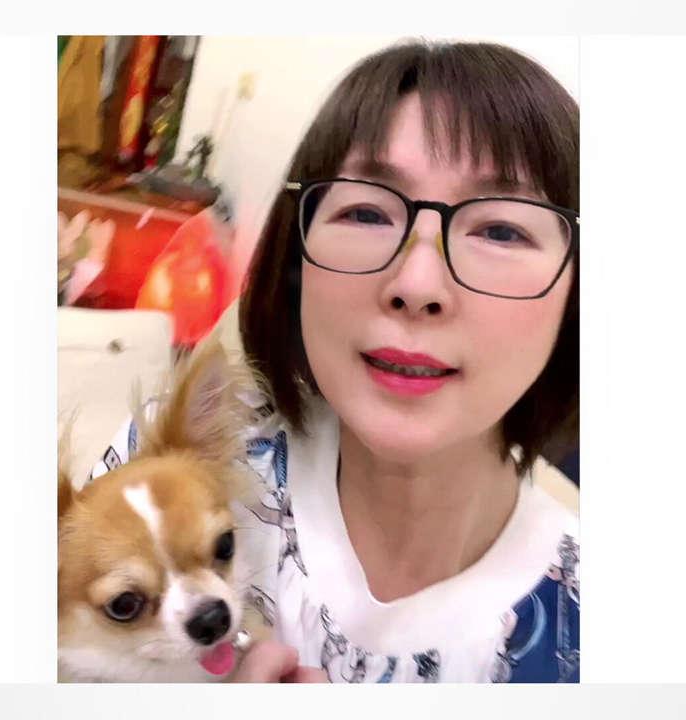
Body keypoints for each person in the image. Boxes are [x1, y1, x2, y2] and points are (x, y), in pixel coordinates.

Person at [91, 39, 579, 683]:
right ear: (294, 259)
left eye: (500, 229)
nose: (418, 284)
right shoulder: (178, 463)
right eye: (367, 211)